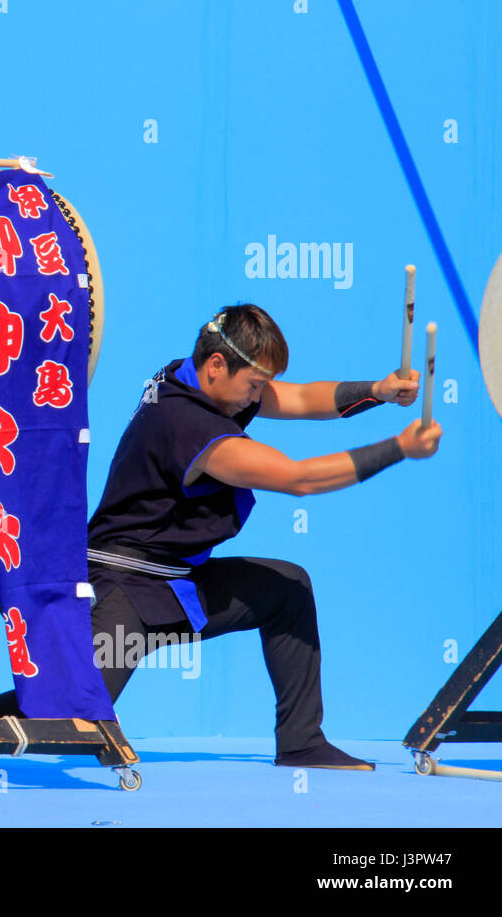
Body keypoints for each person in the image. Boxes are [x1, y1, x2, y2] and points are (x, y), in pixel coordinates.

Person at [83, 303, 440, 770]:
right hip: (124, 589)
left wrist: (379, 391)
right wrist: (399, 448)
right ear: (216, 365)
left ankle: (302, 743)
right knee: (68, 714)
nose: (257, 397)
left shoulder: (192, 376)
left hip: (179, 581)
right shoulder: (188, 425)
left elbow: (300, 399)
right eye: (254, 385)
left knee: (286, 588)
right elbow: (299, 479)